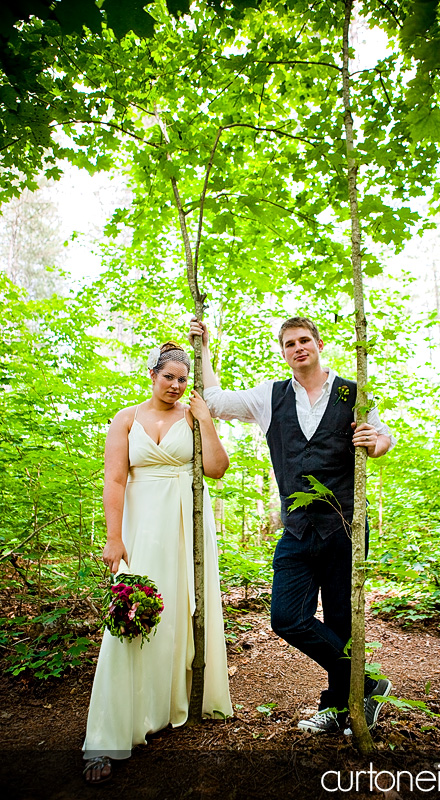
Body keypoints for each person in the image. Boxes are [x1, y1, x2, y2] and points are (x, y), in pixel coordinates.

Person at [189, 316, 394, 734]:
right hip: (297, 530)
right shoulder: (270, 396)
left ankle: (342, 709)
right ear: (283, 352)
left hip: (346, 527)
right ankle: (368, 685)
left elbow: (384, 436)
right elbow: (214, 400)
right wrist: (204, 347)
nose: (298, 347)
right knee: (286, 618)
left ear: (319, 344)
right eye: (289, 343)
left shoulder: (353, 392)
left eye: (304, 340)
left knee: (341, 621)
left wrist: (377, 442)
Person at [83, 342, 232, 784]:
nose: (176, 385)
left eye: (183, 379)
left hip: (188, 525)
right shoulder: (126, 419)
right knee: (132, 616)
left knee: (183, 613)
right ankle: (110, 733)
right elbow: (114, 478)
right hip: (141, 525)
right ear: (152, 375)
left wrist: (205, 419)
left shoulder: (191, 416)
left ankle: (174, 704)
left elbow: (217, 469)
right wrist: (114, 537)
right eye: (169, 377)